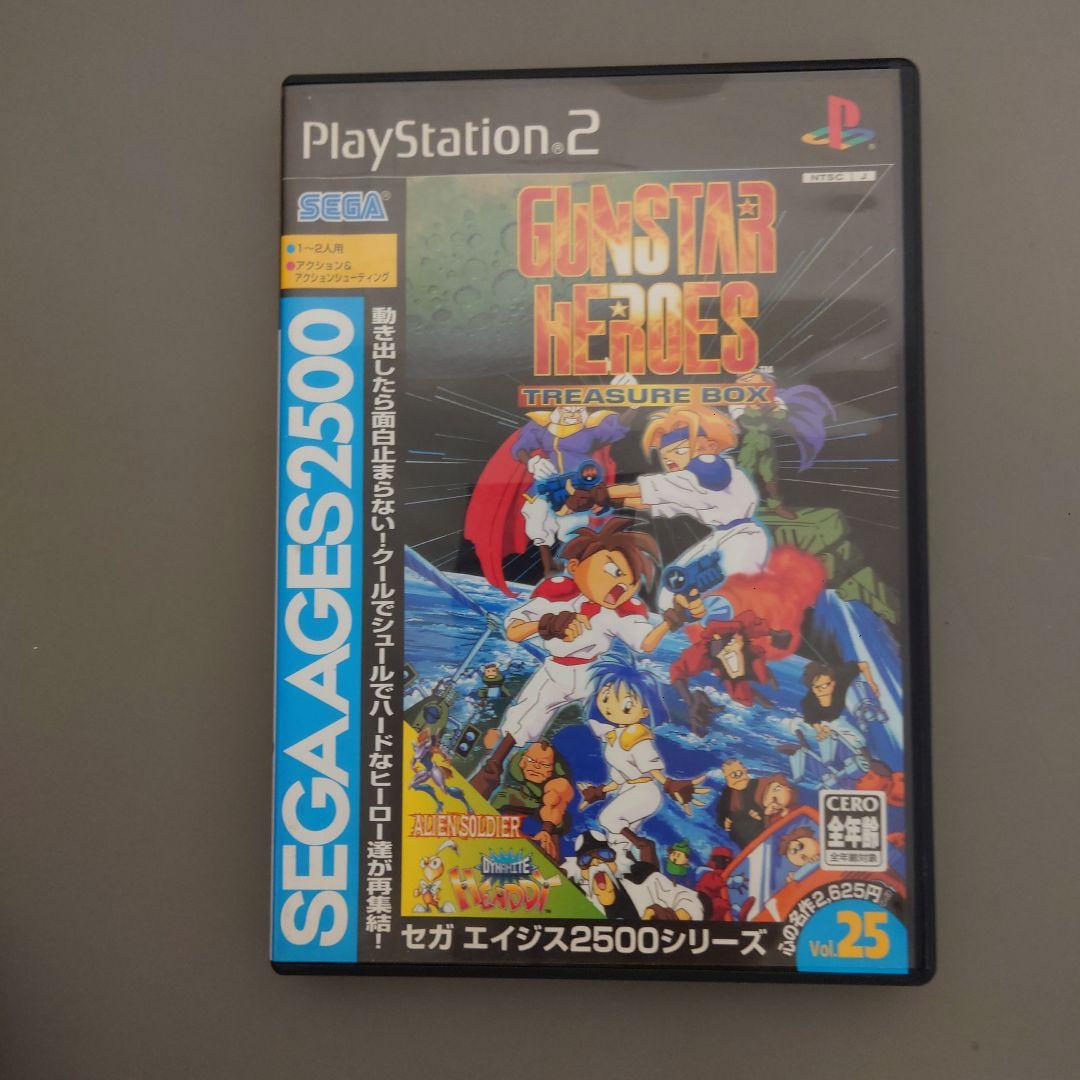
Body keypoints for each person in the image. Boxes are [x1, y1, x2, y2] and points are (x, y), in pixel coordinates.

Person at [470, 518, 704, 798]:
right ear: (574, 567)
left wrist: (673, 619)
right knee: (523, 719)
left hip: (592, 674)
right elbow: (514, 630)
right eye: (612, 571)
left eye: (629, 582)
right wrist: (547, 624)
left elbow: (644, 643)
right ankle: (490, 772)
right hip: (554, 671)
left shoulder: (618, 612)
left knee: (617, 726)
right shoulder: (558, 595)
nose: (619, 587)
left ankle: (660, 782)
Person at [569, 404, 769, 609]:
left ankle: (729, 618)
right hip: (721, 536)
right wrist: (613, 501)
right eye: (666, 457)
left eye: (680, 450)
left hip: (744, 538)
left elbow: (654, 487)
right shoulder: (691, 485)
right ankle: (688, 619)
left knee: (734, 586)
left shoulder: (712, 468)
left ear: (709, 446)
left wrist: (601, 493)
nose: (671, 460)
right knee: (670, 593)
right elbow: (660, 502)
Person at [577, 648, 709, 866]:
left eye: (626, 704)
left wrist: (669, 784)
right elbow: (619, 776)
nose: (611, 707)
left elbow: (651, 768)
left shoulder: (637, 737)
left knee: (608, 818)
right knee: (616, 841)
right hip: (628, 789)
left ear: (644, 712)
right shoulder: (613, 736)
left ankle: (644, 846)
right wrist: (600, 791)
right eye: (606, 697)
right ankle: (637, 869)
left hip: (644, 792)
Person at [489, 739, 574, 860]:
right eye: (531, 761)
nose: (536, 767)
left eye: (544, 765)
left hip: (547, 810)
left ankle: (550, 856)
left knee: (557, 823)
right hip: (519, 799)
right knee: (503, 798)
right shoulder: (516, 764)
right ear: (523, 761)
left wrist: (546, 830)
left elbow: (553, 804)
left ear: (551, 769)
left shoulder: (559, 782)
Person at [714, 758, 765, 849]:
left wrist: (761, 814)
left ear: (745, 770)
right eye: (731, 775)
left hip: (764, 835)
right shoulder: (727, 793)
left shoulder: (759, 785)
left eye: (738, 773)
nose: (736, 778)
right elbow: (720, 815)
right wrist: (724, 822)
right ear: (726, 778)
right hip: (745, 844)